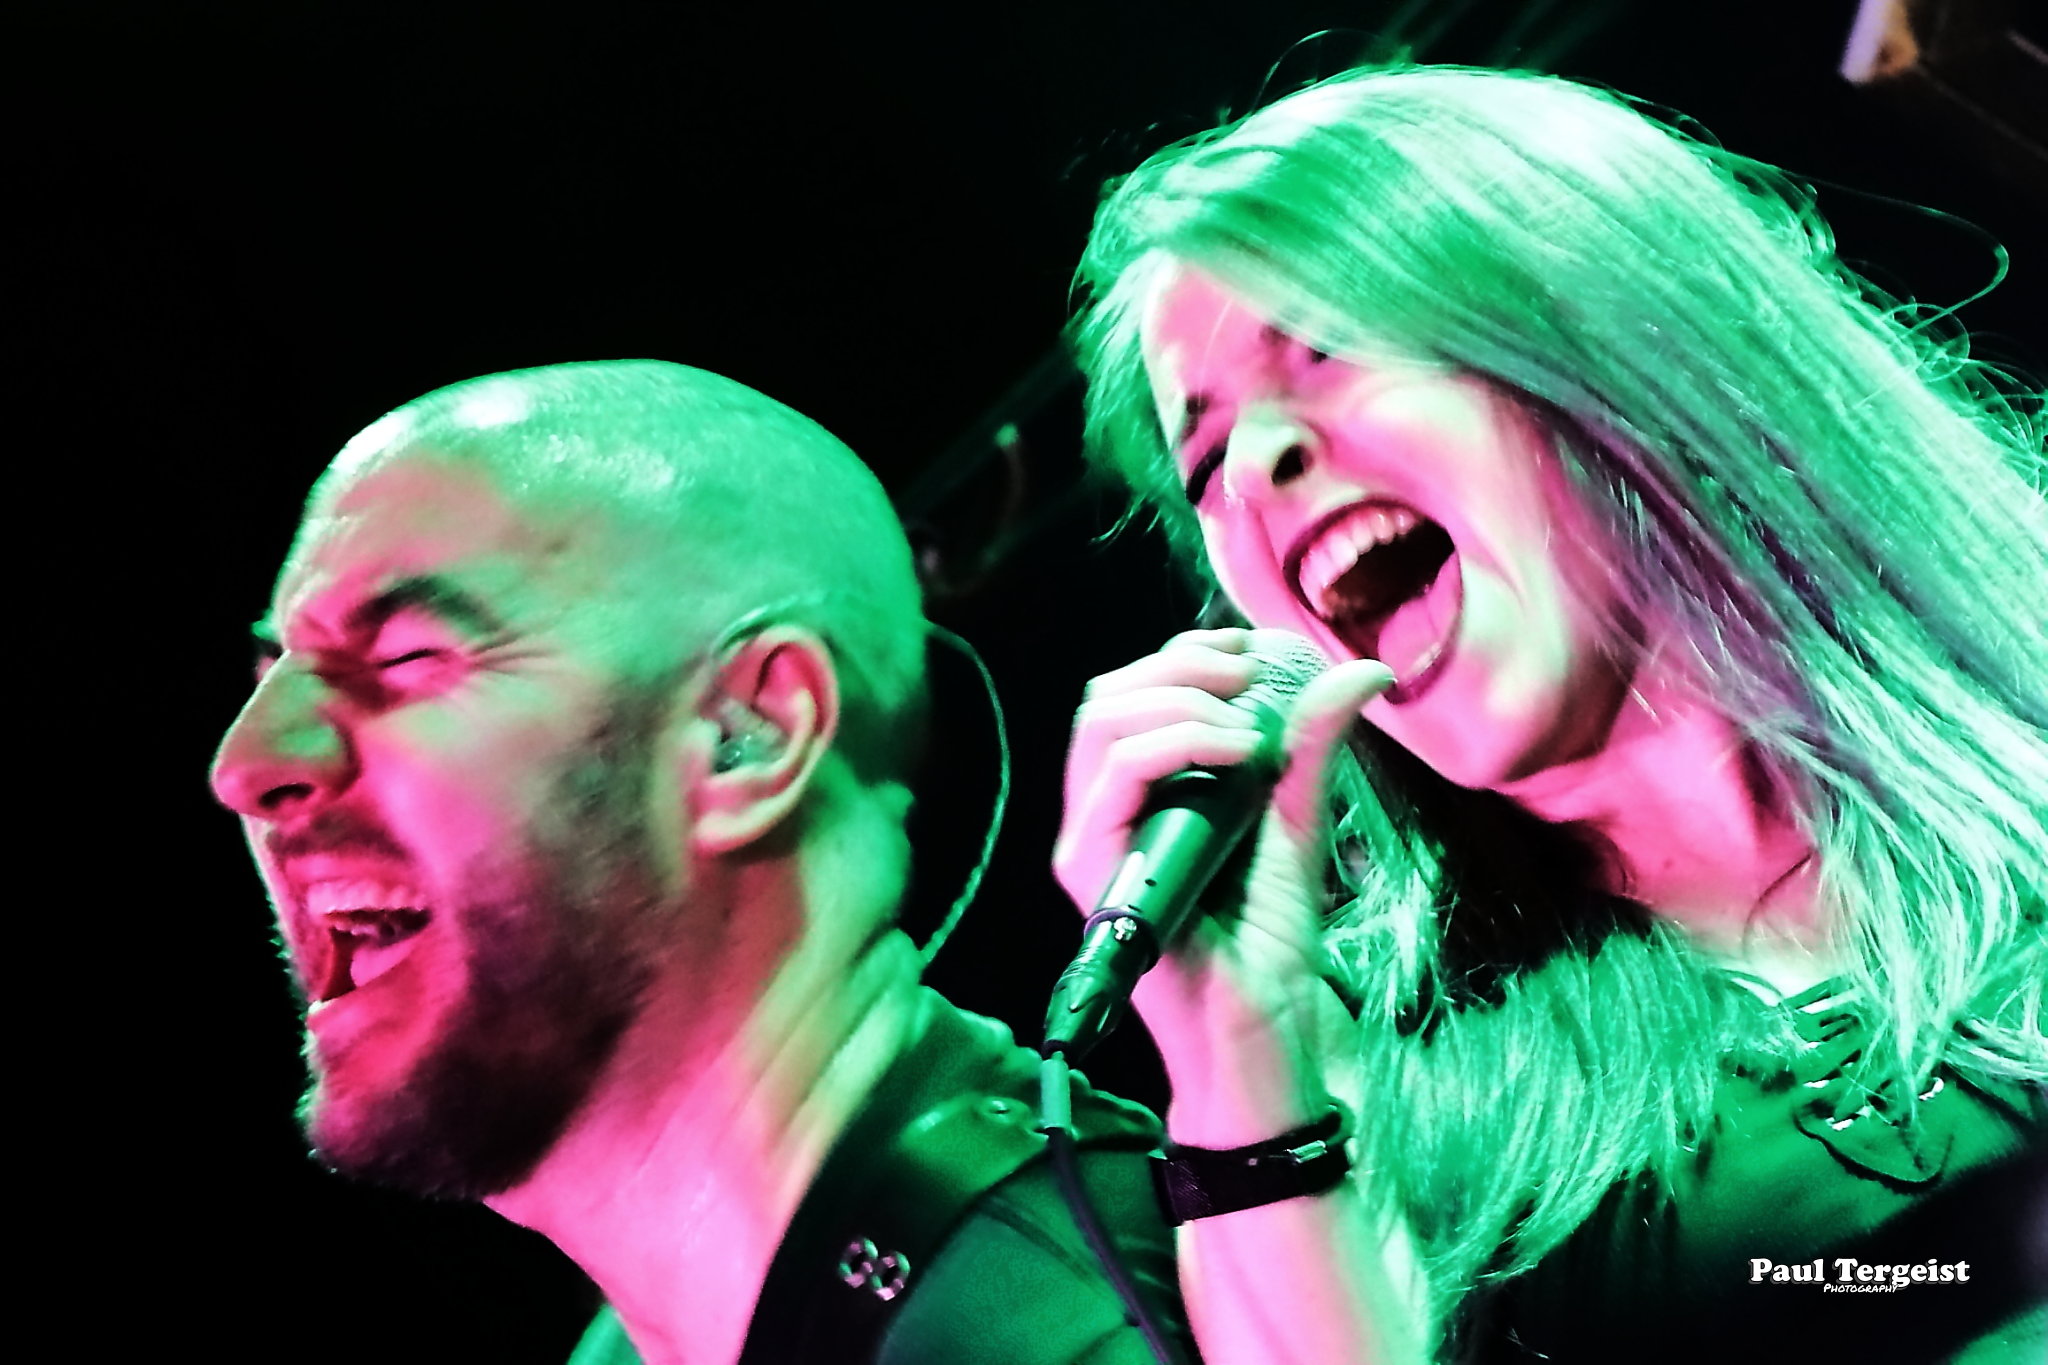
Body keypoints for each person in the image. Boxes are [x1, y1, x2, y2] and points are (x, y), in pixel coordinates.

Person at [1053, 64, 2047, 1364]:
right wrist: (1236, 1055)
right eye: (1201, 461)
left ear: (1615, 337)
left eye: (1325, 347)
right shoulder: (1365, 1102)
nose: (1252, 464)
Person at [209, 360, 1192, 1365]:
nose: (243, 765)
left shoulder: (1053, 1328)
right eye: (271, 672)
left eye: (409, 656)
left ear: (748, 734)